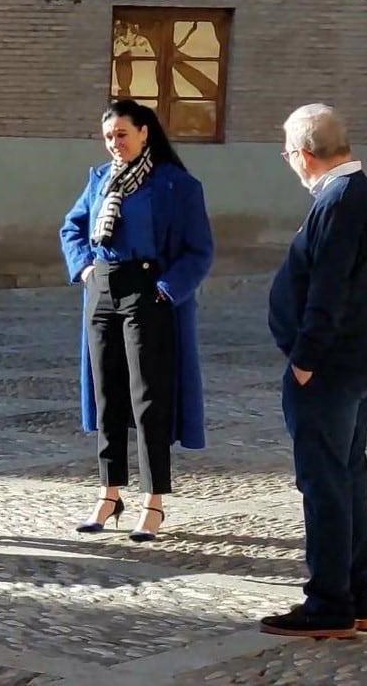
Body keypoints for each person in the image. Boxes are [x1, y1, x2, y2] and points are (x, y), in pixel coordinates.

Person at [261, 104, 367, 639]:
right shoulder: (363, 194)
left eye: (287, 153)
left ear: (303, 154)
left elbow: (328, 289)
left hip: (330, 367)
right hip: (357, 359)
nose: (289, 161)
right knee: (347, 477)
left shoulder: (339, 201)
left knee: (325, 485)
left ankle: (329, 603)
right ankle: (357, 598)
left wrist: (305, 361)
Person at [59, 99, 214, 542]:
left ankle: (153, 501)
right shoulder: (100, 179)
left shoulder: (176, 184)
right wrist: (85, 269)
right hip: (102, 290)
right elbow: (72, 227)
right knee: (107, 395)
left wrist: (166, 289)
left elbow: (199, 249)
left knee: (149, 399)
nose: (115, 143)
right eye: (109, 136)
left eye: (122, 134)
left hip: (149, 292)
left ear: (145, 132)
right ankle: (109, 494)